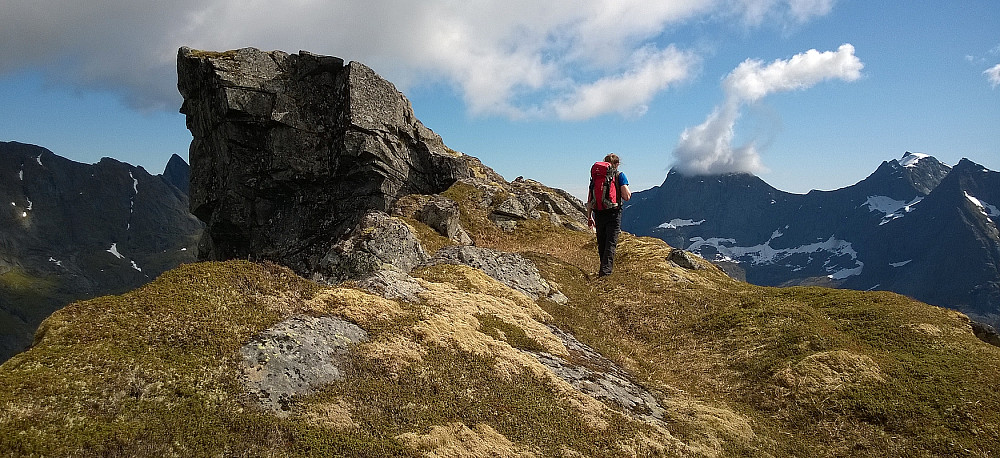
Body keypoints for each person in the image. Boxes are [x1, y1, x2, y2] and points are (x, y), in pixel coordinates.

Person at [586, 153, 631, 276]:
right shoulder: (619, 175)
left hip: (598, 212)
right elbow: (626, 196)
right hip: (613, 212)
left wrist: (589, 217)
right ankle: (605, 273)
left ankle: (603, 268)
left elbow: (590, 199)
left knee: (602, 241)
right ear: (617, 164)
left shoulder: (596, 177)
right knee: (611, 242)